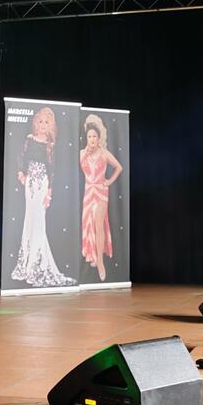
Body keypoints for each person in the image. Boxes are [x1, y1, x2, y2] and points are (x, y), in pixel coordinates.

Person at [11, 107, 76, 287]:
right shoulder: (29, 140)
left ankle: (37, 264)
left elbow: (52, 170)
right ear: (35, 123)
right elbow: (20, 157)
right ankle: (27, 263)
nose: (42, 125)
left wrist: (49, 192)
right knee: (29, 220)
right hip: (30, 182)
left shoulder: (50, 145)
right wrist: (21, 174)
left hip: (42, 184)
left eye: (46, 122)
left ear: (50, 126)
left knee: (39, 222)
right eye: (40, 121)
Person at [80, 113, 123, 281]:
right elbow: (81, 166)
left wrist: (109, 181)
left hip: (101, 192)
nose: (91, 139)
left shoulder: (104, 153)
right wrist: (86, 153)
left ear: (99, 138)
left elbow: (119, 167)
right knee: (89, 225)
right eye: (89, 136)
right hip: (88, 192)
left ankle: (100, 261)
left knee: (99, 225)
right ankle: (92, 254)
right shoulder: (82, 153)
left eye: (94, 136)